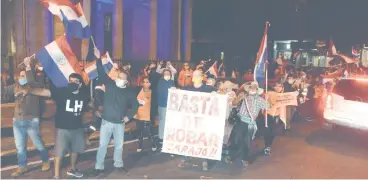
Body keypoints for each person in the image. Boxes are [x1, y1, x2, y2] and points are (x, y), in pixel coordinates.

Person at [92, 48, 139, 176]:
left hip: (119, 123)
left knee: (119, 146)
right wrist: (97, 58)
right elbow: (101, 72)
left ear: (126, 81)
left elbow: (135, 104)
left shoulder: (129, 93)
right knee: (103, 145)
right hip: (106, 121)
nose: (119, 79)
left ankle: (118, 164)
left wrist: (129, 116)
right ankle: (99, 166)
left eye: (122, 78)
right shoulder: (110, 84)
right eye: (119, 76)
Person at [10, 57, 50, 177]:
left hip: (31, 120)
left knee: (38, 143)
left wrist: (29, 67)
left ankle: (45, 161)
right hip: (18, 120)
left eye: (25, 76)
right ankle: (22, 167)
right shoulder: (16, 86)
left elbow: (34, 83)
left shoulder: (34, 86)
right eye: (21, 76)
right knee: (20, 147)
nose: (23, 78)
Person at [178, 70, 217, 171]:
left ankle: (204, 161)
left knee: (202, 139)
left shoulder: (208, 88)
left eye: (197, 75)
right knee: (188, 138)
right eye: (194, 75)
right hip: (191, 119)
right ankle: (185, 157)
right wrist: (174, 90)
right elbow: (179, 93)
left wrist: (214, 94)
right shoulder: (188, 88)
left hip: (203, 120)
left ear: (201, 77)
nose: (195, 77)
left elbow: (216, 96)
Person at [227, 82, 268, 168]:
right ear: (248, 89)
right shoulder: (243, 96)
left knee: (247, 142)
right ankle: (231, 156)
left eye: (254, 88)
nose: (252, 89)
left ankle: (245, 158)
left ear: (257, 90)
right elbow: (234, 103)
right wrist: (239, 98)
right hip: (240, 121)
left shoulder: (260, 100)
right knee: (236, 140)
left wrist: (267, 98)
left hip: (250, 124)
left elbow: (268, 107)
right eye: (250, 87)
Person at [133, 77, 157, 152]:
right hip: (139, 115)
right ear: (142, 83)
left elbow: (154, 104)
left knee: (149, 132)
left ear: (150, 84)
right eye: (144, 82)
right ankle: (140, 145)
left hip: (148, 116)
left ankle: (153, 143)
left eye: (147, 82)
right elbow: (133, 101)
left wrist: (154, 115)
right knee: (139, 132)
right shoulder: (137, 90)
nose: (146, 83)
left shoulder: (152, 92)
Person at [156, 69, 175, 148]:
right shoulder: (161, 82)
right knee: (162, 121)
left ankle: (167, 137)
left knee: (169, 122)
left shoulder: (172, 82)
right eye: (165, 73)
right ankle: (161, 137)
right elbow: (161, 93)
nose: (167, 74)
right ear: (163, 74)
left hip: (170, 105)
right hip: (163, 105)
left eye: (168, 73)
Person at [263, 82, 283, 155]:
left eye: (280, 86)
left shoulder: (283, 95)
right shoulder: (269, 93)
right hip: (269, 115)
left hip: (277, 115)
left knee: (274, 132)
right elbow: (264, 102)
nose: (278, 88)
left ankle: (269, 145)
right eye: (276, 86)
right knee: (268, 131)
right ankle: (267, 146)